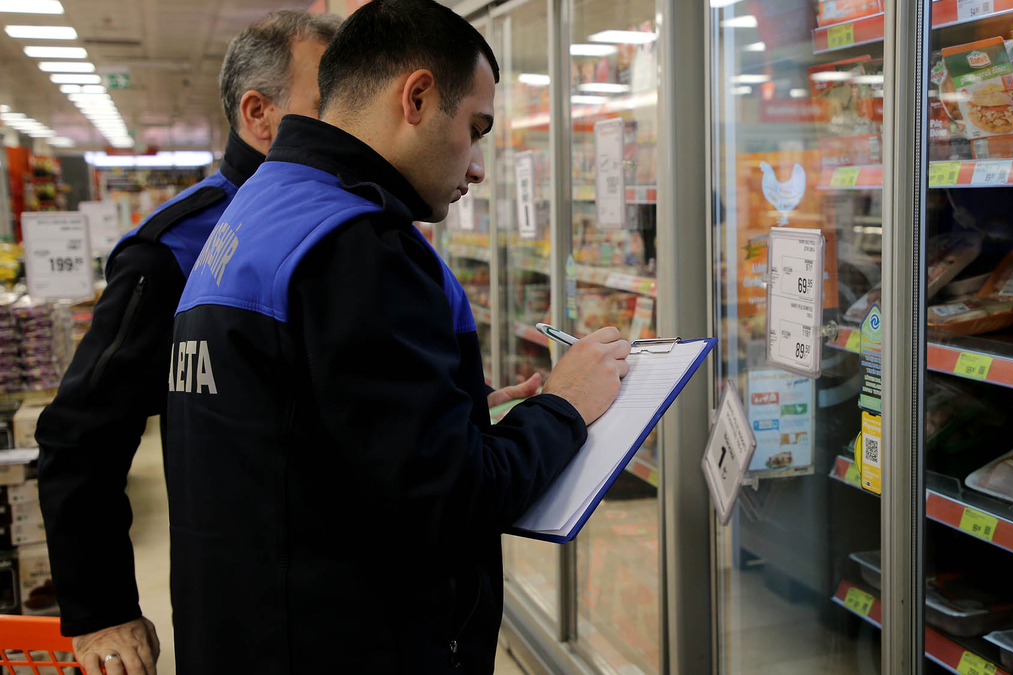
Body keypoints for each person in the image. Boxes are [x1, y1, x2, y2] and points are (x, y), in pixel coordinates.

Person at [165, 0, 629, 672]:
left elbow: (305, 435)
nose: (475, 165)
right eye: (475, 128)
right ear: (416, 97)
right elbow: (450, 501)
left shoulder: (259, 212)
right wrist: (565, 405)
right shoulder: (358, 245)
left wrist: (447, 413)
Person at [34, 10, 340, 675]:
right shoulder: (173, 247)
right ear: (260, 116)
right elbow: (79, 433)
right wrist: (101, 606)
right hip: (245, 611)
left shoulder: (351, 233)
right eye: (331, 103)